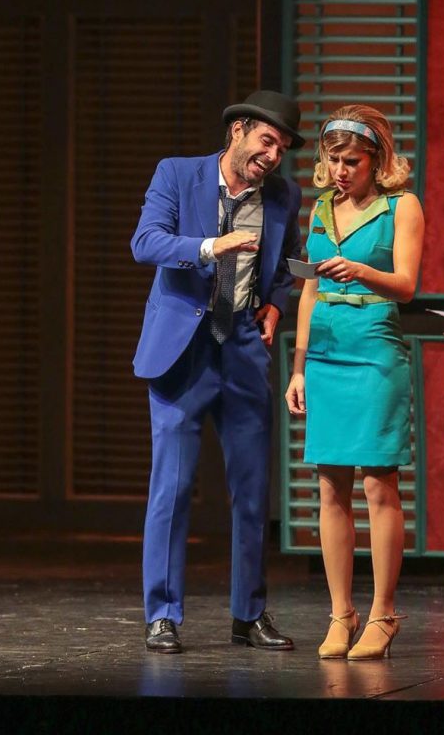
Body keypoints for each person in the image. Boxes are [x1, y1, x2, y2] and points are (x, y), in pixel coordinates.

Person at [132, 90, 304, 654]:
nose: (272, 156)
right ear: (238, 131)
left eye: (282, 149)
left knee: (252, 490)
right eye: (266, 141)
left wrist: (276, 305)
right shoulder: (178, 174)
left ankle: (248, 615)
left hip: (243, 349)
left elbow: (286, 265)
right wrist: (211, 245)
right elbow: (145, 242)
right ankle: (162, 614)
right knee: (174, 486)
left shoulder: (283, 196)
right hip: (183, 351)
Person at [284, 105, 424, 660]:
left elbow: (406, 285)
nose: (340, 171)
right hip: (325, 353)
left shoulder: (401, 207)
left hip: (374, 349)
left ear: (377, 159)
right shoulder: (322, 208)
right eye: (333, 160)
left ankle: (384, 614)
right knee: (330, 485)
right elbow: (309, 291)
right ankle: (341, 614)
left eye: (352, 162)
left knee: (377, 484)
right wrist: (298, 367)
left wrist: (361, 271)